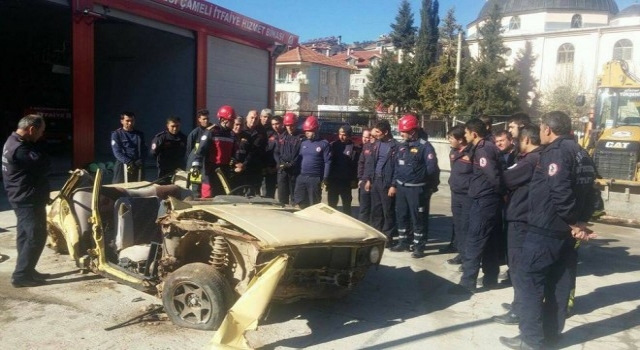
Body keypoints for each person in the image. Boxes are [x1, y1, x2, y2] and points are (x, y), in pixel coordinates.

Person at [500, 111, 597, 350]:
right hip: (565, 233)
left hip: (545, 230)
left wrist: (574, 222)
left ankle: (530, 339)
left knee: (529, 282)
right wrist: (580, 221)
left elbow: (560, 191)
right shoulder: (581, 153)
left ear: (547, 130)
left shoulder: (555, 152)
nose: (540, 131)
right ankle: (551, 335)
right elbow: (590, 193)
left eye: (542, 127)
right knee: (558, 284)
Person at [492, 123, 542, 326]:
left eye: (519, 139)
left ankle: (519, 310)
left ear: (527, 140)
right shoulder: (542, 157)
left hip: (522, 219)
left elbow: (505, 179)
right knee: (521, 267)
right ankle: (519, 304)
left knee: (518, 267)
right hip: (529, 217)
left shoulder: (530, 160)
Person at [449, 118, 504, 294]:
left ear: (473, 133)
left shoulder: (483, 150)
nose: (464, 136)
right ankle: (490, 278)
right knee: (490, 241)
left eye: (466, 133)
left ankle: (467, 283)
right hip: (489, 199)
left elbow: (493, 176)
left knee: (475, 240)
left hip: (484, 200)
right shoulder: (486, 146)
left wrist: (499, 193)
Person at [2, 114, 51, 287]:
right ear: (31, 129)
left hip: (20, 196)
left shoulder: (11, 141)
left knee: (24, 235)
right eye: (41, 131)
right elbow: (44, 166)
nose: (41, 135)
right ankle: (21, 275)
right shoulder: (21, 149)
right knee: (36, 236)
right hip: (27, 199)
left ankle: (28, 269)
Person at [389, 115, 439, 258]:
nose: (401, 134)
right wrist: (394, 184)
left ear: (412, 131)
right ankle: (404, 242)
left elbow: (432, 169)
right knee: (402, 215)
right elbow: (397, 168)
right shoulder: (402, 146)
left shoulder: (425, 147)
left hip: (417, 189)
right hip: (402, 188)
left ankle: (419, 246)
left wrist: (428, 185)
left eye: (403, 131)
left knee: (418, 218)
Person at [363, 120, 400, 245]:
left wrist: (393, 185)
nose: (376, 134)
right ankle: (376, 234)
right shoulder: (376, 144)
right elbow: (371, 163)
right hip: (376, 181)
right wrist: (369, 179)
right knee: (376, 210)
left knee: (388, 211)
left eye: (378, 132)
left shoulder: (396, 147)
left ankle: (388, 237)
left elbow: (397, 168)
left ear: (386, 132)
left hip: (387, 183)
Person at [191, 105, 236, 198]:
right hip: (211, 171)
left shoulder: (232, 135)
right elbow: (200, 150)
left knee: (224, 197)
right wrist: (196, 167)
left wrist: (234, 159)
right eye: (231, 120)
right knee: (209, 196)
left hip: (225, 171)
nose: (233, 123)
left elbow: (234, 152)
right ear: (223, 120)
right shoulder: (212, 132)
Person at [445, 125, 473, 265]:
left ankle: (469, 258)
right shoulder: (453, 152)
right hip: (456, 193)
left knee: (467, 226)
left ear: (461, 139)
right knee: (458, 226)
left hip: (468, 196)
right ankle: (461, 254)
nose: (449, 140)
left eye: (451, 137)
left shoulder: (472, 153)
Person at [293, 116, 331, 208]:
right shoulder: (303, 143)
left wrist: (325, 178)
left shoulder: (324, 144)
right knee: (299, 202)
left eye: (309, 131)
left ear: (316, 130)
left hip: (315, 178)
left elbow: (327, 162)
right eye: (306, 132)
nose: (307, 134)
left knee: (314, 204)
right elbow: (299, 159)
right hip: (302, 177)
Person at [327, 124, 360, 215]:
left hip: (346, 182)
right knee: (331, 205)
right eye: (340, 134)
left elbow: (355, 165)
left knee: (346, 205)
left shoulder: (354, 148)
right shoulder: (333, 145)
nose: (341, 136)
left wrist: (354, 179)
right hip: (334, 181)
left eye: (344, 134)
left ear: (349, 135)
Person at [111, 112, 147, 184]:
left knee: (139, 188)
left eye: (132, 121)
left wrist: (141, 160)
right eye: (127, 121)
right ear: (122, 121)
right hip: (123, 165)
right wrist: (129, 162)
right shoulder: (117, 134)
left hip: (137, 165)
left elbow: (144, 150)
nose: (130, 123)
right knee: (119, 189)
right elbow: (117, 152)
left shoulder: (139, 134)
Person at [275, 112, 302, 205]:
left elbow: (301, 154)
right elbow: (276, 152)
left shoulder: (301, 137)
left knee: (295, 198)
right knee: (282, 198)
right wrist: (279, 163)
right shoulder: (281, 137)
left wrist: (293, 163)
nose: (290, 128)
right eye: (287, 125)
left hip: (295, 172)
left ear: (296, 124)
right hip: (283, 171)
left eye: (292, 125)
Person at [239, 110, 268, 195]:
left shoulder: (262, 132)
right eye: (252, 118)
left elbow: (262, 149)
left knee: (254, 192)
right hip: (242, 167)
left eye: (256, 119)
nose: (253, 120)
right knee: (240, 191)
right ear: (247, 118)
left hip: (255, 167)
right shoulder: (241, 130)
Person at [150, 116, 187, 183]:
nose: (175, 129)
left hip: (179, 169)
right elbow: (153, 153)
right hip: (165, 170)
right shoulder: (161, 138)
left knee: (178, 190)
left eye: (177, 126)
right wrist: (161, 162)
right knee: (164, 190)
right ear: (167, 126)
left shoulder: (183, 138)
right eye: (172, 126)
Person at [185, 109, 211, 197]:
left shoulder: (212, 131)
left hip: (208, 166)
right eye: (204, 119)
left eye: (207, 118)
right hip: (196, 167)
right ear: (199, 119)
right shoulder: (194, 133)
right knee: (196, 190)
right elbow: (189, 152)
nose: (206, 121)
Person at [357, 128, 375, 224]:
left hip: (374, 182)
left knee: (373, 208)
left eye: (368, 137)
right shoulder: (365, 148)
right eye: (364, 137)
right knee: (363, 208)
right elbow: (361, 163)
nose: (365, 139)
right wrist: (360, 178)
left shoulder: (377, 147)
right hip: (364, 181)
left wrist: (370, 180)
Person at [229, 116, 250, 190]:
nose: (238, 127)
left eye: (241, 125)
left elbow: (250, 152)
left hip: (243, 169)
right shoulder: (228, 135)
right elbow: (226, 152)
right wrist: (235, 164)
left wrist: (244, 164)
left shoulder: (247, 136)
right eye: (236, 124)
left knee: (242, 193)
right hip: (231, 169)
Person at [260, 108, 277, 198]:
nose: (266, 119)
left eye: (268, 117)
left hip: (271, 167)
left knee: (269, 194)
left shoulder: (275, 132)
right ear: (261, 117)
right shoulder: (256, 129)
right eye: (264, 117)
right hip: (258, 166)